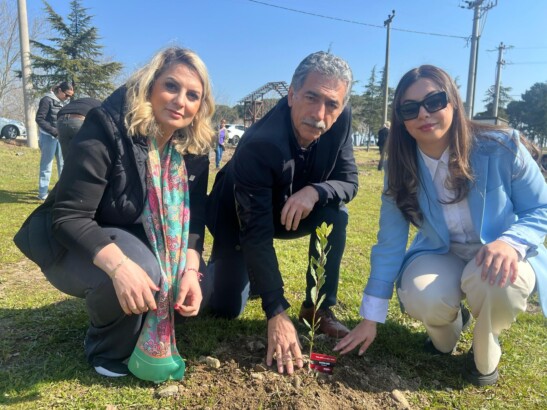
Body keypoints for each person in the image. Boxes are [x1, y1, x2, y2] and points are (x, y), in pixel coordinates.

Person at [334, 65, 547, 387]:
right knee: (423, 296)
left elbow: (540, 208)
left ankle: (485, 346)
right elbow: (389, 244)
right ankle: (447, 330)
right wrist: (370, 317)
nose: (424, 113)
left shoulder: (503, 146)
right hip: (440, 251)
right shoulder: (401, 168)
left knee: (498, 283)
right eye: (410, 108)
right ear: (402, 120)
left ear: (454, 103)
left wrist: (511, 242)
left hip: (501, 250)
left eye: (434, 101)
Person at [14, 47, 215, 381]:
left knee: (198, 287)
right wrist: (120, 268)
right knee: (141, 270)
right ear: (150, 87)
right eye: (171, 87)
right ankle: (107, 348)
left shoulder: (191, 149)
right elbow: (69, 216)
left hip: (136, 237)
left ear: (200, 106)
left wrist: (192, 271)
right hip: (74, 242)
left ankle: (143, 312)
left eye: (193, 95)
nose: (181, 101)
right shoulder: (108, 127)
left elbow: (194, 222)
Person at [205, 51, 358, 375]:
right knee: (227, 307)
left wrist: (315, 191)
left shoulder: (340, 122)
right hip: (239, 215)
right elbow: (256, 231)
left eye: (332, 104)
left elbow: (348, 181)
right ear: (291, 95)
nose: (320, 114)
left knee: (335, 215)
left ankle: (317, 309)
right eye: (311, 97)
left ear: (342, 107)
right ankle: (211, 274)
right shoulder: (259, 144)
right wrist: (275, 311)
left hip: (294, 209)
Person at [35, 81, 74, 200]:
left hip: (60, 137)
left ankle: (62, 192)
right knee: (46, 165)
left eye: (70, 96)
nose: (67, 98)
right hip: (48, 137)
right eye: (66, 95)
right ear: (60, 90)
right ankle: (42, 194)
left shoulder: (64, 103)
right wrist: (54, 131)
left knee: (63, 165)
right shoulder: (47, 100)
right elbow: (39, 119)